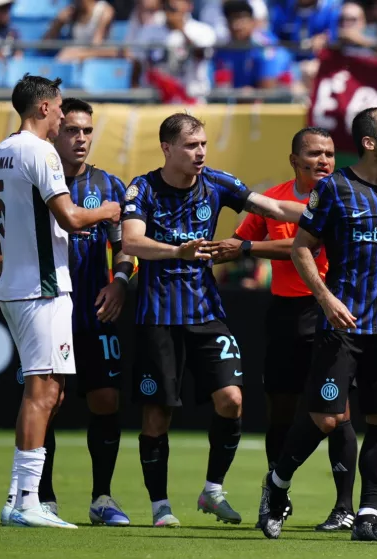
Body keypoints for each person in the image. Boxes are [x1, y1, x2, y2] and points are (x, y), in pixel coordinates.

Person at [121, 113, 305, 528]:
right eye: (191, 145)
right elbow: (131, 240)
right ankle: (160, 506)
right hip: (158, 316)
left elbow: (273, 206)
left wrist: (324, 209)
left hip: (206, 313)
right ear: (167, 148)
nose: (200, 151)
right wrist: (176, 252)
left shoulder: (218, 183)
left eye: (203, 143)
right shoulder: (143, 188)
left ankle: (213, 489)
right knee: (158, 414)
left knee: (232, 399)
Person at [257, 106, 377, 543]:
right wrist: (326, 298)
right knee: (327, 419)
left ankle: (368, 515)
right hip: (345, 323)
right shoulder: (334, 189)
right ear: (369, 142)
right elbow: (300, 249)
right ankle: (276, 484)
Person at [0, 75, 121, 528]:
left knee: (50, 392)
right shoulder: (40, 151)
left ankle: (24, 496)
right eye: (59, 109)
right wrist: (110, 211)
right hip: (44, 288)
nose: (63, 117)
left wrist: (18, 246)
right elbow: (72, 217)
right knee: (42, 393)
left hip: (16, 286)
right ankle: (24, 501)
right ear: (43, 108)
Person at [211, 126, 360, 532]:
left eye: (329, 153)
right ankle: (278, 494)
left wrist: (245, 248)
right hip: (285, 314)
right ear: (295, 160)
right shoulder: (273, 200)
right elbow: (236, 243)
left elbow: (306, 247)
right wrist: (198, 254)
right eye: (314, 153)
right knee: (281, 409)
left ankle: (344, 506)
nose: (324, 160)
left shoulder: (343, 195)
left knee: (339, 412)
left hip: (332, 309)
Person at [31, 98, 135, 527]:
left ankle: (102, 498)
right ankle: (42, 497)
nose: (81, 138)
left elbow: (125, 243)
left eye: (87, 131)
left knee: (106, 400)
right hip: (47, 305)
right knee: (47, 403)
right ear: (55, 131)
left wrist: (120, 281)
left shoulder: (109, 185)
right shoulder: (35, 179)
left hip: (95, 309)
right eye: (72, 129)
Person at [212, 0, 296, 90]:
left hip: (275, 98)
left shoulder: (266, 46)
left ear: (252, 22)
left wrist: (248, 95)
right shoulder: (223, 50)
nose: (236, 25)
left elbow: (268, 88)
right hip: (237, 99)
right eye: (231, 19)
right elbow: (222, 87)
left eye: (241, 19)